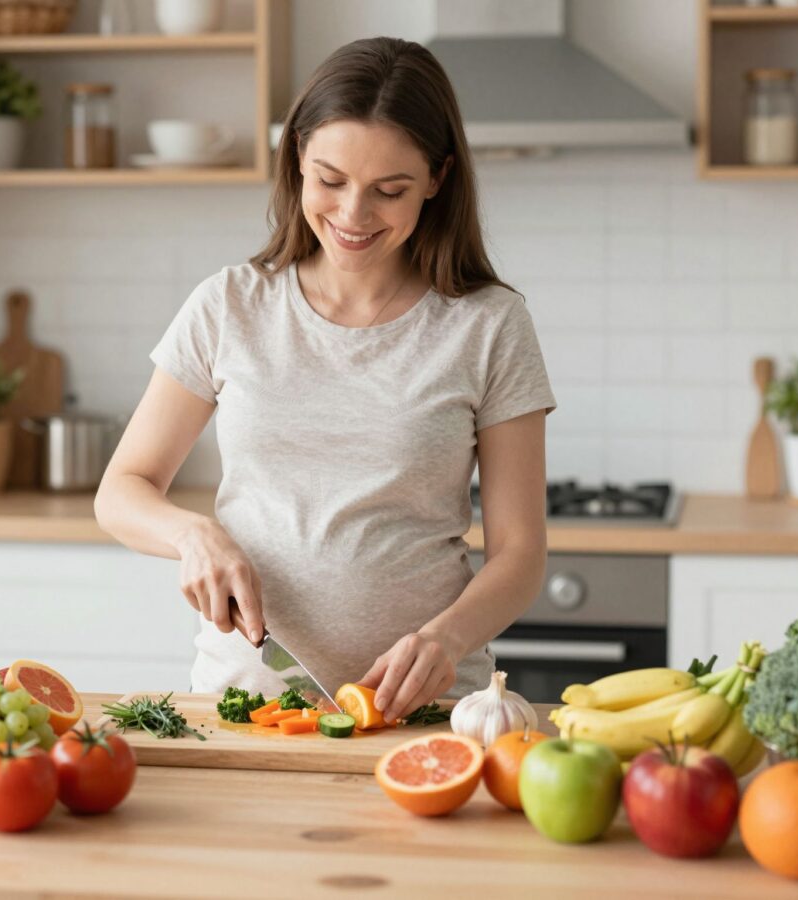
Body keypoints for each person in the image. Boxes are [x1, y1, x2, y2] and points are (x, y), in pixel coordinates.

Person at [95, 37, 554, 724]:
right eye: (330, 181)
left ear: (437, 178)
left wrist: (447, 638)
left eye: (389, 190)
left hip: (425, 707)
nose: (353, 215)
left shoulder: (489, 324)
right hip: (249, 703)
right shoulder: (229, 306)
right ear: (298, 162)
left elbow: (520, 553)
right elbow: (122, 490)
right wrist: (194, 536)